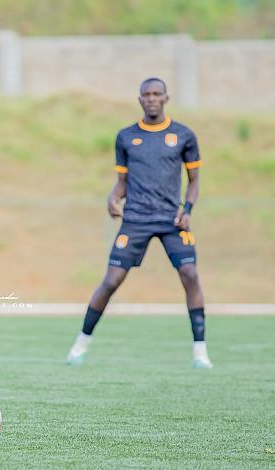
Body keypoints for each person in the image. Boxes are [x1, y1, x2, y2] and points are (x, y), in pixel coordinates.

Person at [66, 77, 212, 369]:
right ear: (140, 99)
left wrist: (187, 209)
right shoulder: (126, 137)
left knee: (190, 274)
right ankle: (80, 345)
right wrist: (113, 197)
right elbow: (122, 182)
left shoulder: (183, 135)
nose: (152, 98)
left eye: (157, 94)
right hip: (136, 219)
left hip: (172, 220)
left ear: (166, 98)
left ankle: (200, 352)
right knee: (111, 281)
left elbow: (194, 181)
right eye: (147, 94)